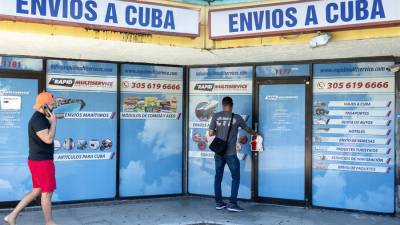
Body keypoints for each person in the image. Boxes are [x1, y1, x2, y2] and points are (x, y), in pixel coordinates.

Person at [4, 92, 58, 225]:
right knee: (47, 193)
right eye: (52, 103)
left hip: (39, 161)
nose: (54, 105)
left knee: (37, 191)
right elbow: (48, 139)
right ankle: (49, 222)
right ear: (45, 105)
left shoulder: (42, 117)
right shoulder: (38, 120)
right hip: (41, 162)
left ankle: (11, 216)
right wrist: (54, 123)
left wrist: (51, 121)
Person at [208, 96, 256, 212]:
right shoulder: (237, 117)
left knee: (218, 177)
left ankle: (219, 203)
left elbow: (210, 133)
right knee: (235, 177)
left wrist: (218, 131)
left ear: (222, 104)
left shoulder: (216, 116)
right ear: (232, 105)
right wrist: (256, 133)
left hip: (219, 153)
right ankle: (232, 204)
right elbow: (247, 129)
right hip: (230, 153)